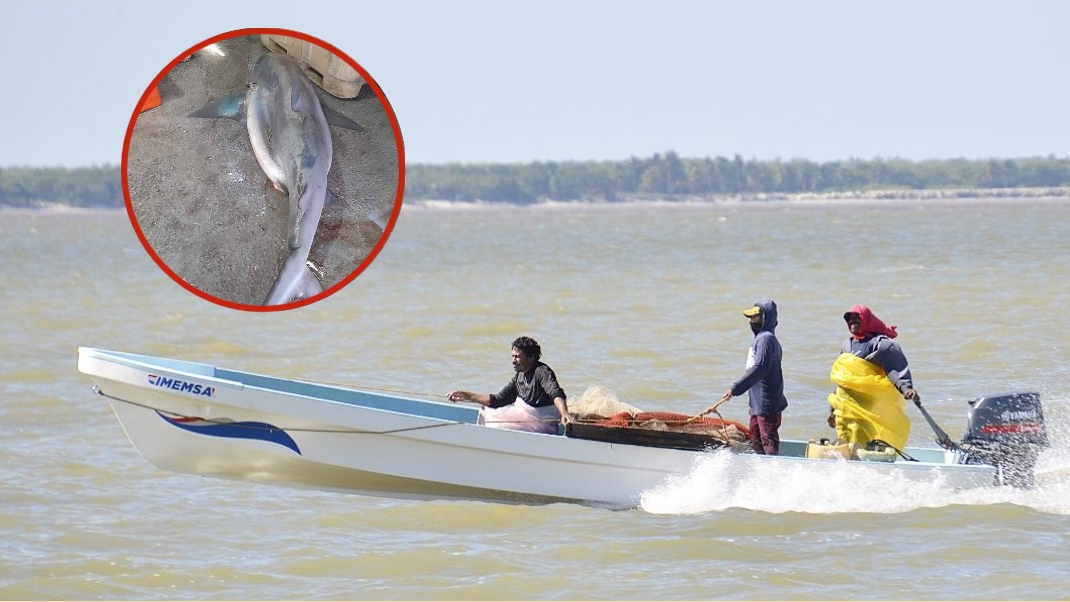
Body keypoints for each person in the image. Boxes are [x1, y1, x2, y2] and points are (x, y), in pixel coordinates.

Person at [826, 305, 919, 450]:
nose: (852, 323)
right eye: (850, 320)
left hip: (867, 408)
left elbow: (895, 369)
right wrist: (832, 409)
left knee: (863, 442)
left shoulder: (882, 345)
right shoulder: (846, 345)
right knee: (845, 440)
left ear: (866, 320)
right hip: (845, 408)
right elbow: (842, 377)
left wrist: (906, 388)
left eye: (857, 319)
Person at [447, 336, 572, 434]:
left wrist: (564, 413)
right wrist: (466, 396)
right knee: (486, 411)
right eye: (512, 356)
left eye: (517, 357)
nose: (513, 361)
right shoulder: (519, 376)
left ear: (531, 357)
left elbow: (555, 392)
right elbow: (498, 400)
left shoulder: (542, 371)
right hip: (524, 418)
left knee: (499, 425)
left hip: (542, 424)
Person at [717, 300, 787, 455]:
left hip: (766, 406)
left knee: (769, 445)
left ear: (766, 318)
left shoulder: (766, 339)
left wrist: (735, 388)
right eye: (750, 318)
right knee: (755, 443)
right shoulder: (761, 339)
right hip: (756, 405)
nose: (751, 321)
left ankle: (773, 474)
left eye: (755, 317)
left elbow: (759, 369)